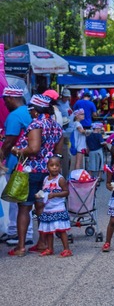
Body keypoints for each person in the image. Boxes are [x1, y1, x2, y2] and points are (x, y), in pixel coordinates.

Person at [8, 94, 63, 256]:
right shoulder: (56, 126)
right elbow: (57, 154)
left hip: (30, 171)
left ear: (34, 110)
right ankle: (42, 243)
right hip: (47, 173)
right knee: (41, 207)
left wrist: (16, 150)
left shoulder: (36, 124)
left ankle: (21, 247)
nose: (29, 112)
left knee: (24, 208)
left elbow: (33, 149)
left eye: (30, 109)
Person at [0, 86, 33, 246]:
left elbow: (9, 142)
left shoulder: (14, 116)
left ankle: (21, 233)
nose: (4, 103)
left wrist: (1, 158)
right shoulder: (29, 112)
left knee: (17, 199)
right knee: (22, 199)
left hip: (17, 163)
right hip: (28, 163)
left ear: (11, 99)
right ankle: (16, 231)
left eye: (5, 100)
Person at [35, 156, 72, 257]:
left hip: (58, 208)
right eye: (52, 165)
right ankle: (50, 248)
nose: (54, 167)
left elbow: (66, 192)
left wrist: (55, 194)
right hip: (48, 209)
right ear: (47, 167)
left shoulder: (60, 179)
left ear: (60, 167)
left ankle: (67, 249)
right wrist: (39, 194)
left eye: (57, 165)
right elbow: (45, 191)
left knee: (61, 230)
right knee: (48, 230)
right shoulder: (46, 179)